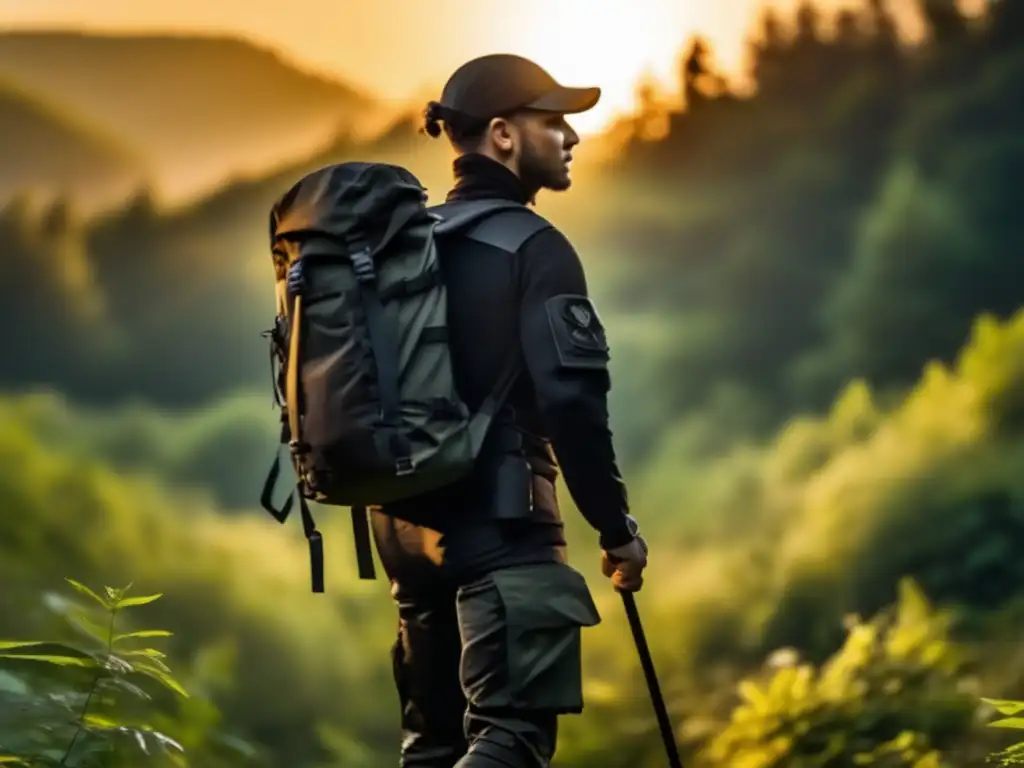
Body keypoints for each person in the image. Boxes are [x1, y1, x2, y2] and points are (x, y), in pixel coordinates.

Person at [369, 53, 649, 768]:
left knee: (432, 749)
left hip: (404, 532)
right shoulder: (536, 247)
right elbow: (572, 404)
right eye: (552, 122)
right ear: (501, 134)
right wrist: (615, 529)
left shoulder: (413, 245)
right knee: (512, 738)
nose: (572, 137)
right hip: (504, 523)